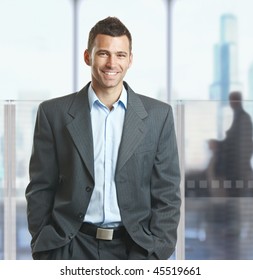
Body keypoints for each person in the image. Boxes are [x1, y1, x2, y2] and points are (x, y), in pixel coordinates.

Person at [25, 16, 181, 260]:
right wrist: (46, 247)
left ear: (130, 59)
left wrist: (156, 252)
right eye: (103, 54)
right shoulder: (52, 114)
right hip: (69, 247)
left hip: (135, 248)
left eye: (120, 55)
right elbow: (40, 187)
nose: (112, 63)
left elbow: (167, 193)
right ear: (88, 56)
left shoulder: (158, 116)